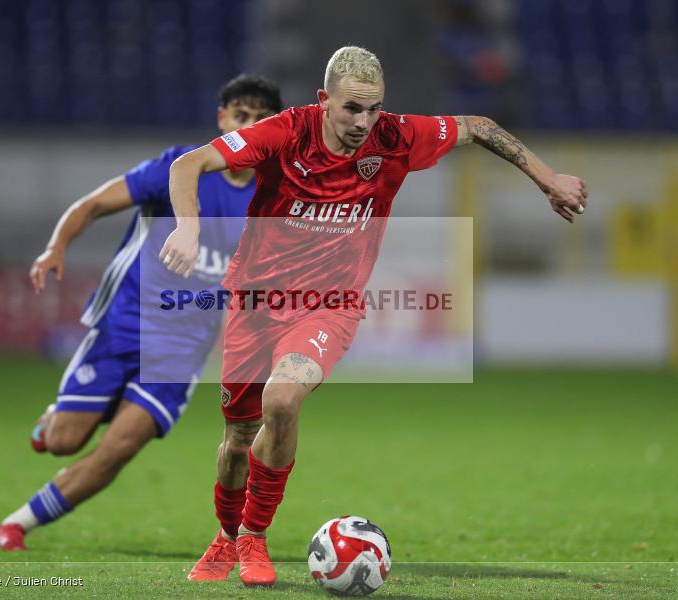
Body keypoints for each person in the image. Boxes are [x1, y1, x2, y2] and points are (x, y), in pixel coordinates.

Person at [164, 47, 588, 586]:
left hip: (328, 305)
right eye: (352, 110)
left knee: (283, 398)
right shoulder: (285, 132)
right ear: (324, 101)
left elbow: (479, 126)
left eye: (374, 109)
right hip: (254, 301)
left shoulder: (396, 136)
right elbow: (188, 164)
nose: (365, 122)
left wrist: (547, 178)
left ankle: (253, 537)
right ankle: (226, 539)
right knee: (237, 443)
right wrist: (187, 226)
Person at [0, 74, 283, 551]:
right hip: (123, 324)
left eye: (260, 121)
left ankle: (16, 524)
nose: (247, 127)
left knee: (118, 449)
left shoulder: (273, 197)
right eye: (240, 116)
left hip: (180, 351)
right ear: (222, 119)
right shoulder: (181, 168)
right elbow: (96, 203)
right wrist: (55, 247)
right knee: (64, 440)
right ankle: (57, 420)